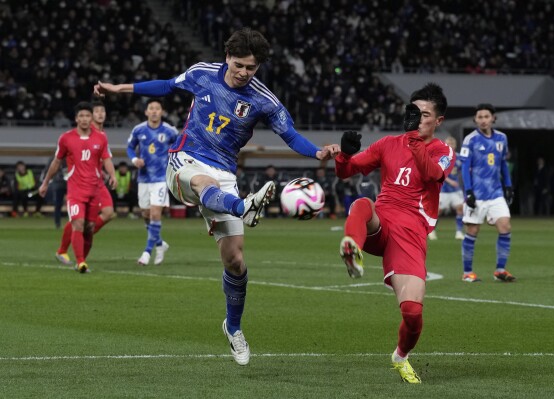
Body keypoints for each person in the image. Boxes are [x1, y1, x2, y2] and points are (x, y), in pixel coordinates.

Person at [94, 27, 339, 366]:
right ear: (228, 57)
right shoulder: (202, 74)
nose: (243, 73)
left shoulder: (264, 100)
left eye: (250, 68)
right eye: (238, 65)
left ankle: (233, 327)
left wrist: (318, 154)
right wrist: (118, 88)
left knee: (235, 260)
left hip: (224, 174)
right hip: (184, 161)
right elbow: (166, 85)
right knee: (201, 182)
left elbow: (291, 135)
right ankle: (244, 207)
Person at [336, 83, 454, 383]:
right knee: (363, 203)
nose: (416, 118)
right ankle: (352, 245)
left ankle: (400, 356)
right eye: (412, 112)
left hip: (411, 234)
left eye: (423, 114)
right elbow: (347, 171)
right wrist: (344, 154)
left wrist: (414, 140)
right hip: (382, 222)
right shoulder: (388, 143)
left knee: (413, 313)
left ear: (438, 120)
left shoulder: (443, 151)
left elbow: (432, 174)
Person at [39, 101, 117, 273]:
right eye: (83, 115)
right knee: (78, 222)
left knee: (90, 226)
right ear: (76, 118)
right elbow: (57, 162)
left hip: (95, 186)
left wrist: (111, 175)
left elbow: (106, 159)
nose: (98, 115)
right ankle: (79, 260)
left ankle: (76, 249)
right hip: (76, 188)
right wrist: (46, 182)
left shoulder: (101, 137)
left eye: (99, 112)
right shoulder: (67, 138)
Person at [459, 103, 515, 283]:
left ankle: (500, 269)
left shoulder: (501, 138)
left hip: (496, 193)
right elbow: (465, 167)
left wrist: (508, 185)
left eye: (486, 116)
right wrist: (468, 191)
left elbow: (503, 164)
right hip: (476, 193)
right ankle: (467, 272)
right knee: (472, 231)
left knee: (505, 226)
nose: (483, 120)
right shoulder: (470, 140)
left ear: (493, 118)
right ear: (475, 120)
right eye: (480, 117)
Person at [126, 99, 178, 265]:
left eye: (157, 108)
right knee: (147, 215)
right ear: (146, 111)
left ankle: (147, 253)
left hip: (161, 179)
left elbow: (179, 147)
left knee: (156, 214)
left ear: (162, 112)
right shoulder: (138, 129)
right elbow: (129, 147)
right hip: (144, 178)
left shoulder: (170, 131)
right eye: (151, 108)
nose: (154, 111)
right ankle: (160, 244)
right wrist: (135, 160)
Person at [428, 136, 464, 240]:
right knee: (438, 211)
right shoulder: (442, 157)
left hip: (455, 190)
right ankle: (432, 230)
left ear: (455, 145)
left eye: (452, 144)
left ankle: (459, 232)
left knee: (460, 209)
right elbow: (439, 172)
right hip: (443, 189)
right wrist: (449, 181)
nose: (450, 146)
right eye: (448, 144)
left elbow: (464, 169)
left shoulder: (459, 157)